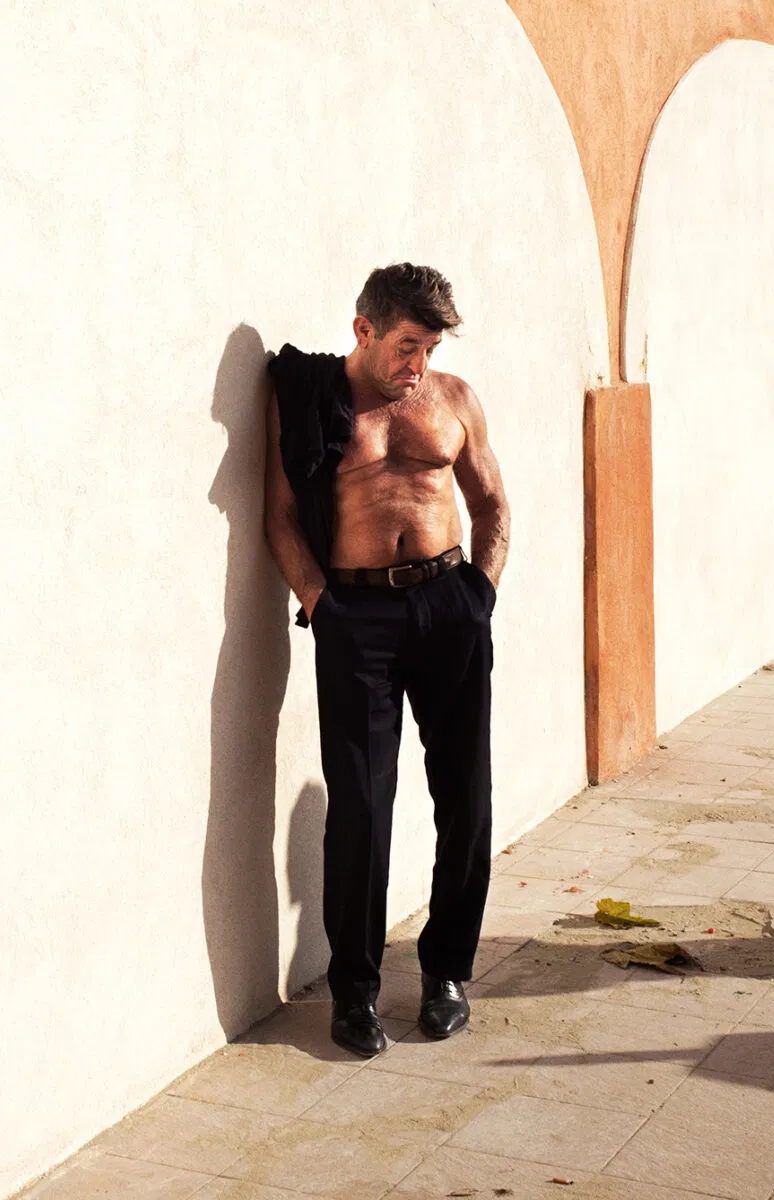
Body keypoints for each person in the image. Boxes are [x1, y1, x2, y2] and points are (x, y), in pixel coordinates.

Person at [263, 264, 508, 1057]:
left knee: (466, 798)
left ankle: (447, 974)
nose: (418, 364)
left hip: (449, 606)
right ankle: (356, 993)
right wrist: (320, 607)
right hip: (356, 617)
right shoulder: (311, 399)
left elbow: (491, 504)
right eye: (406, 346)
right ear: (363, 329)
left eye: (429, 348)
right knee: (363, 807)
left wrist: (480, 595)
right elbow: (281, 516)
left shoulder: (454, 399)